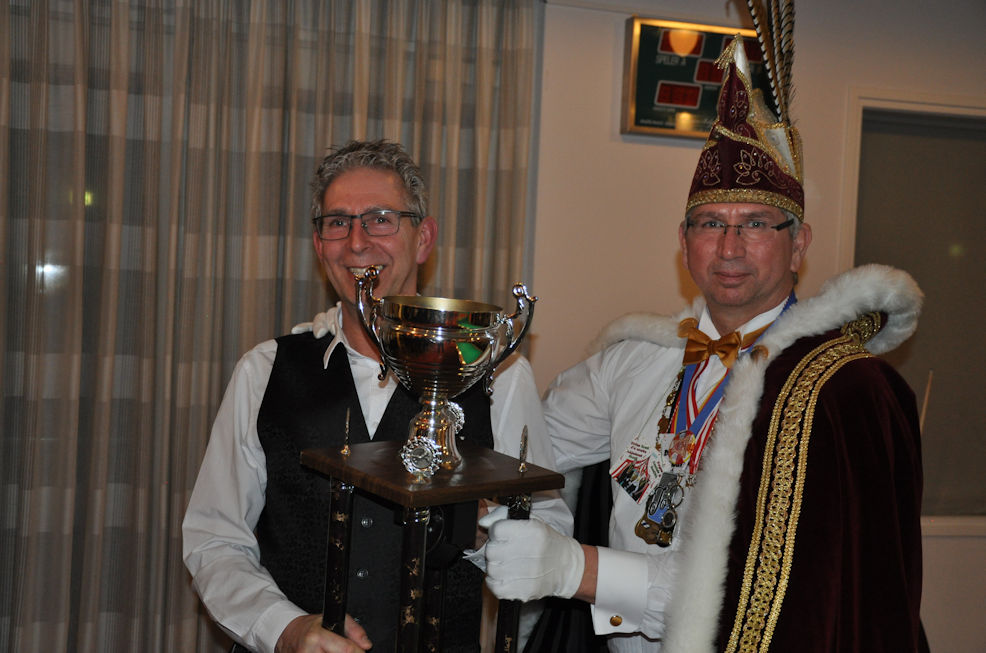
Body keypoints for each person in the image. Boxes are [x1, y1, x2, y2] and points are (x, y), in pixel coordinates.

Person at [482, 35, 930, 652]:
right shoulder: (635, 359)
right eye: (711, 223)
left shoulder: (831, 391)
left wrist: (574, 567)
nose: (729, 248)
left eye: (756, 225)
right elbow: (525, 450)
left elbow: (781, 594)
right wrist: (503, 513)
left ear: (798, 245)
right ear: (683, 240)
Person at [183, 139, 572, 653]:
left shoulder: (500, 375)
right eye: (337, 222)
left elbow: (551, 538)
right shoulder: (264, 370)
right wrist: (285, 629)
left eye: (380, 219)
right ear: (319, 244)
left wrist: (483, 527)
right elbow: (214, 539)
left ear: (423, 239)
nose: (357, 242)